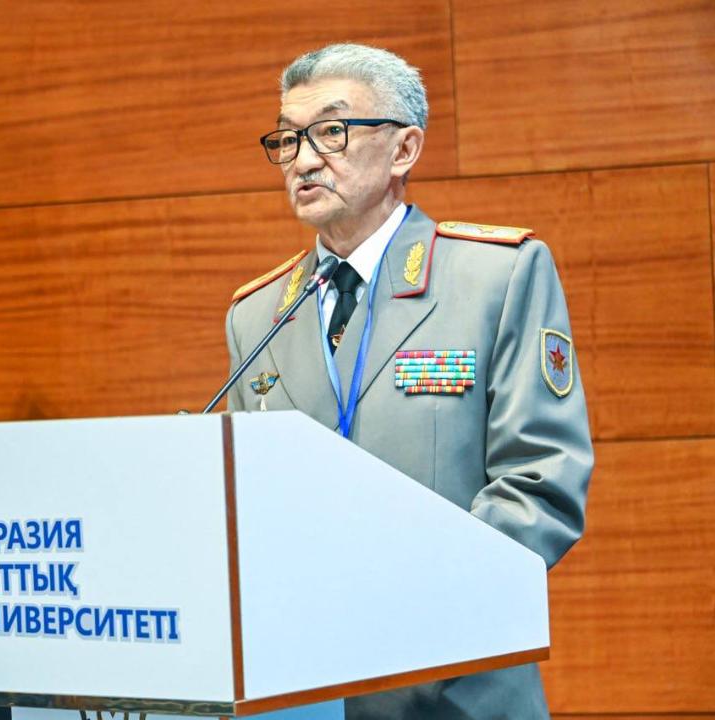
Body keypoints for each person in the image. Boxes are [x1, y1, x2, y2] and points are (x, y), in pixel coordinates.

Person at [224, 43, 593, 719]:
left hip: (456, 683)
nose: (303, 160)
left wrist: (415, 601)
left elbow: (541, 480)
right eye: (288, 139)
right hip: (310, 688)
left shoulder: (496, 277)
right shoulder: (257, 317)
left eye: (331, 132)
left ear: (403, 150)